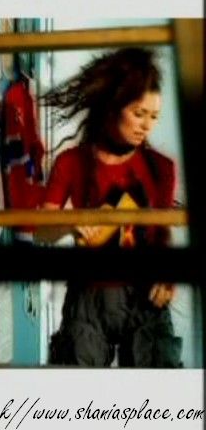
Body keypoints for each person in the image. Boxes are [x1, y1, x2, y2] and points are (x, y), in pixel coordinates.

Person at [39, 47, 182, 367]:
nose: (147, 126)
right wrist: (72, 222)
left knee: (159, 383)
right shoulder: (71, 162)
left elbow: (161, 234)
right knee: (77, 381)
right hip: (88, 295)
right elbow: (41, 231)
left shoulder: (162, 168)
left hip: (145, 295)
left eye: (154, 116)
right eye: (139, 113)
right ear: (112, 106)